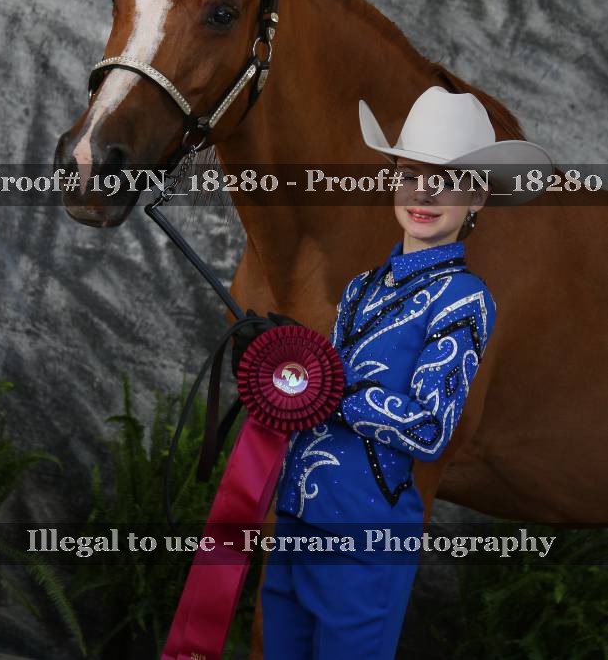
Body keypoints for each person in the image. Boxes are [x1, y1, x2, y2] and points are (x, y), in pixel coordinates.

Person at [235, 85, 553, 660]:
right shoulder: (361, 287)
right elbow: (309, 400)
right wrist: (280, 364)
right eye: (410, 174)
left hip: (366, 539)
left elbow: (428, 429)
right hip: (296, 520)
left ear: (477, 198)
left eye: (446, 179)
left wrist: (328, 386)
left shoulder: (464, 299)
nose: (424, 191)